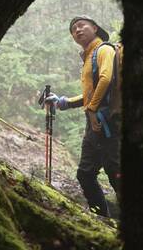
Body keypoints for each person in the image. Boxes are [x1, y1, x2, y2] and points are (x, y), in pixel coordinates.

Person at [46, 16, 121, 217]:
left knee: (116, 174)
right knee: (86, 174)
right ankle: (101, 220)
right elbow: (90, 93)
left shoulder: (104, 50)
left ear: (95, 28)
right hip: (94, 124)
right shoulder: (88, 57)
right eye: (73, 29)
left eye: (81, 26)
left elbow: (106, 78)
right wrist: (63, 102)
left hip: (110, 123)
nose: (77, 30)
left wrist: (92, 109)